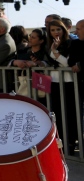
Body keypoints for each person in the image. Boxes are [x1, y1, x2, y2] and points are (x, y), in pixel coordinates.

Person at [46, 19, 78, 154]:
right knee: (57, 113)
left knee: (70, 114)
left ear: (64, 30)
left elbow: (67, 63)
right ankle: (59, 143)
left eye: (58, 29)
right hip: (54, 82)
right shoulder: (50, 44)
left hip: (69, 82)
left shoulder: (71, 43)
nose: (55, 32)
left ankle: (70, 143)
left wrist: (56, 52)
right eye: (52, 30)